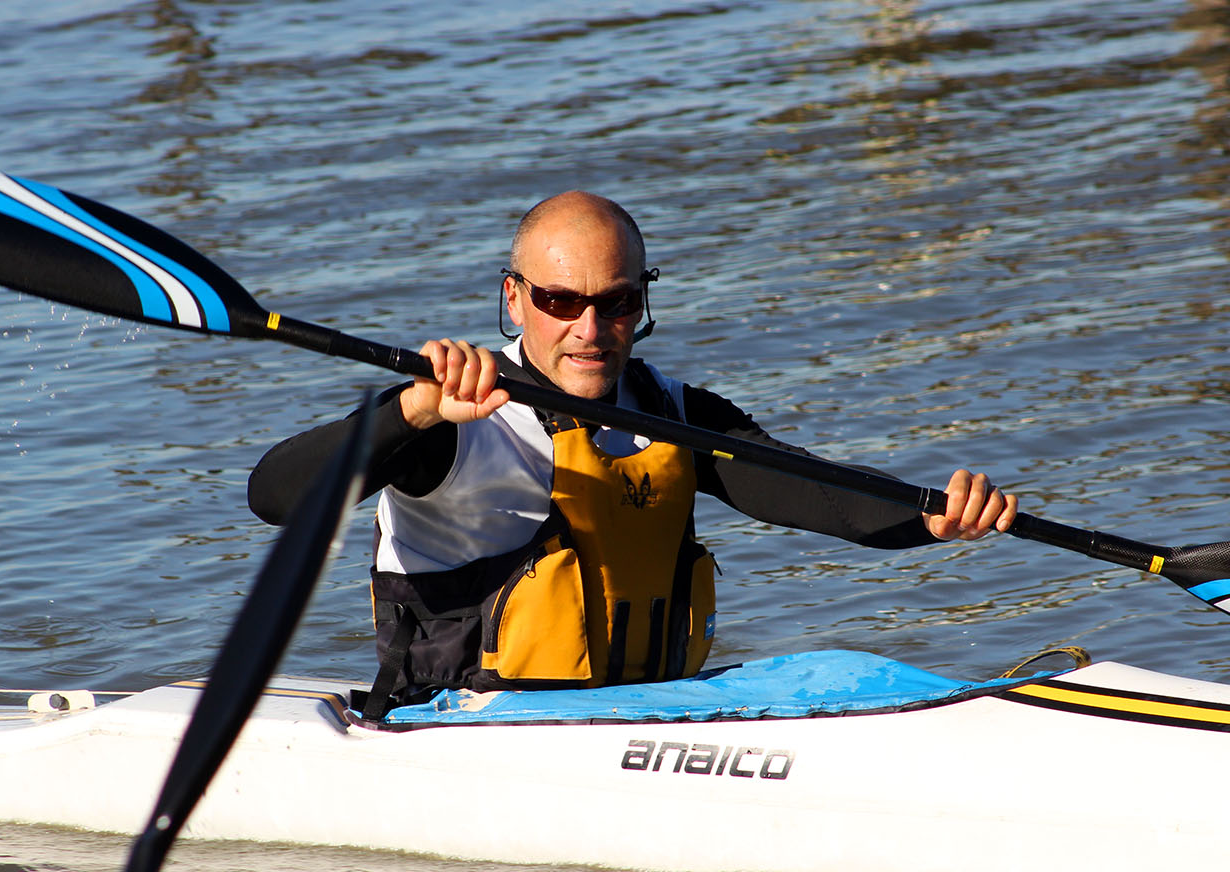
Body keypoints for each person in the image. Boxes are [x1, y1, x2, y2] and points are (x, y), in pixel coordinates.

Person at [248, 191, 1017, 716]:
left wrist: (933, 518)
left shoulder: (674, 412)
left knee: (850, 671)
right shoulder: (450, 416)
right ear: (513, 298)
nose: (590, 328)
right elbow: (275, 496)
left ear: (642, 300)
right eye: (560, 301)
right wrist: (411, 409)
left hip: (632, 716)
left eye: (617, 301)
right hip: (457, 723)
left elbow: (812, 491)